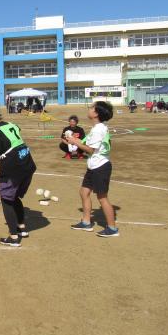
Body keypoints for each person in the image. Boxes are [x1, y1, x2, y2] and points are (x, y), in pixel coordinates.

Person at [0, 106, 37, 248]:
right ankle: (21, 228)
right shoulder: (10, 124)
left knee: (6, 199)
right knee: (14, 196)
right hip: (27, 163)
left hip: (13, 166)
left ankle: (14, 236)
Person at [65, 101, 119, 238]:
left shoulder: (98, 129)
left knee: (102, 197)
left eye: (91, 108)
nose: (89, 109)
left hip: (100, 167)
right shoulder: (98, 127)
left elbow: (90, 149)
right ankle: (86, 222)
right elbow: (87, 144)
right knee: (84, 192)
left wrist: (75, 142)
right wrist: (74, 140)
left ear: (96, 114)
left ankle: (112, 228)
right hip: (94, 166)